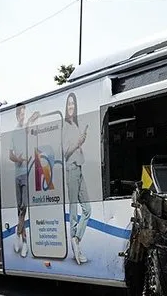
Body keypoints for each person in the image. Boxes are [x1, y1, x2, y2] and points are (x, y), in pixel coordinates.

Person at [63, 93, 91, 265]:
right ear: (66, 107)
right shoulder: (65, 126)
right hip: (71, 169)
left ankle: (76, 239)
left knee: (87, 209)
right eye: (69, 104)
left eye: (73, 103)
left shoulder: (75, 124)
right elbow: (65, 152)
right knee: (74, 209)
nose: (71, 106)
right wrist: (77, 143)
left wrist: (82, 141)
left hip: (79, 168)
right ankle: (76, 244)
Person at [9, 104, 39, 258]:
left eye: (24, 114)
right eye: (21, 114)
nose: (23, 116)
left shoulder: (26, 129)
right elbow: (10, 155)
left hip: (26, 174)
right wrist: (18, 159)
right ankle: (25, 241)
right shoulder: (14, 133)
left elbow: (30, 124)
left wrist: (33, 117)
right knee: (20, 208)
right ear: (17, 116)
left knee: (24, 206)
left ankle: (17, 233)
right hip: (17, 174)